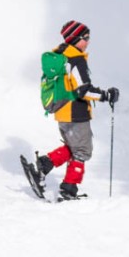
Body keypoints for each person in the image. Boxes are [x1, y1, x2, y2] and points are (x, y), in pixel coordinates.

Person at [34, 20, 119, 200]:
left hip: (62, 111)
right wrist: (106, 95)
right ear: (76, 39)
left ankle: (45, 164)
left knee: (74, 147)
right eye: (85, 37)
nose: (88, 41)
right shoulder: (76, 59)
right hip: (76, 111)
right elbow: (83, 90)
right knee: (82, 151)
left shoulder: (61, 55)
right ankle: (68, 188)